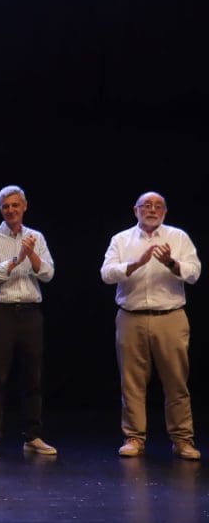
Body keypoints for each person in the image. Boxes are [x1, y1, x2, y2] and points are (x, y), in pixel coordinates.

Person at [100, 192, 201, 461]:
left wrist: (171, 263)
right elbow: (106, 274)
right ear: (136, 210)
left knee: (176, 381)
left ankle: (182, 440)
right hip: (130, 317)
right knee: (131, 383)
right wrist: (135, 264)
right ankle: (134, 438)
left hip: (170, 316)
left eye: (158, 206)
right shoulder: (121, 239)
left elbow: (194, 273)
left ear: (165, 212)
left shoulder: (178, 237)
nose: (152, 210)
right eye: (146, 206)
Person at [0, 185, 57, 457]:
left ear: (24, 206)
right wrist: (16, 259)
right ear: (0, 209)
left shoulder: (37, 237)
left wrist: (31, 254)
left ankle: (33, 436)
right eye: (5, 206)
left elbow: (48, 274)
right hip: (0, 312)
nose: (10, 210)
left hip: (30, 312)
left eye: (15, 205)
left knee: (33, 377)